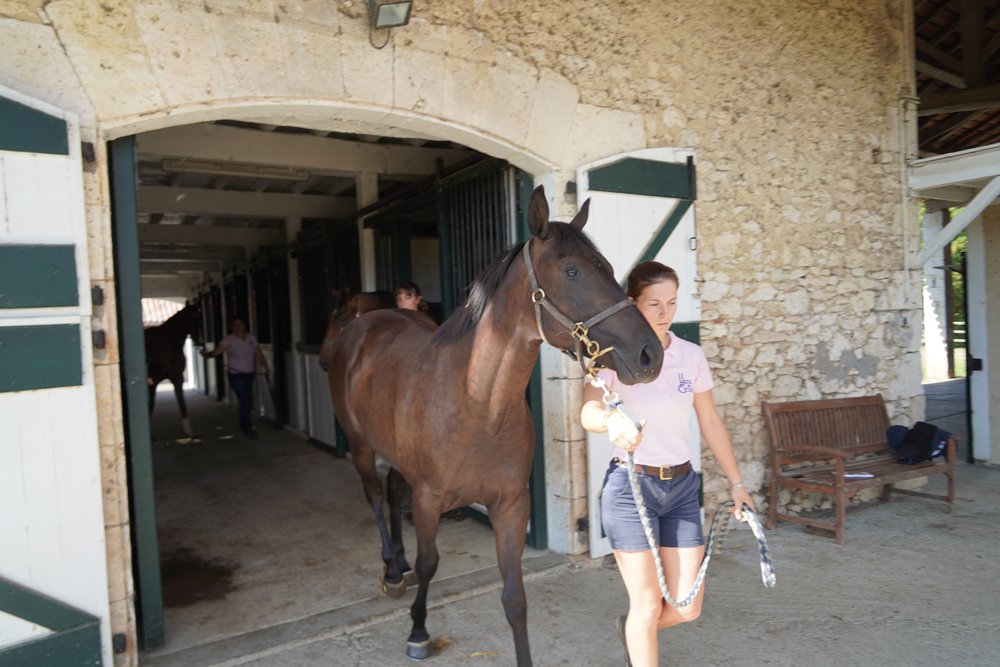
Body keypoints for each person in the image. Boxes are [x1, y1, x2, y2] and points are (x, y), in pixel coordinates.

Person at [580, 261, 754, 667]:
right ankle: (638, 630)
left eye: (672, 303)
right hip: (630, 489)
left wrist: (737, 483)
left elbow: (710, 421)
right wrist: (611, 421)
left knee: (687, 606)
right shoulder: (609, 356)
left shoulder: (690, 356)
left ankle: (633, 630)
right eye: (654, 304)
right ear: (632, 303)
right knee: (645, 605)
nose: (664, 313)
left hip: (681, 488)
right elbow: (588, 412)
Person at [201, 317, 269, 440]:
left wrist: (265, 367)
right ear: (232, 327)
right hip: (235, 374)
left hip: (249, 374)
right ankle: (248, 428)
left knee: (245, 400)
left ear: (244, 325)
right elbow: (217, 352)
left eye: (240, 324)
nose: (238, 327)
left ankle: (243, 423)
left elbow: (259, 354)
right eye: (236, 325)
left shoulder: (251, 339)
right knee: (244, 400)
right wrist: (206, 355)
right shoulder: (229, 340)